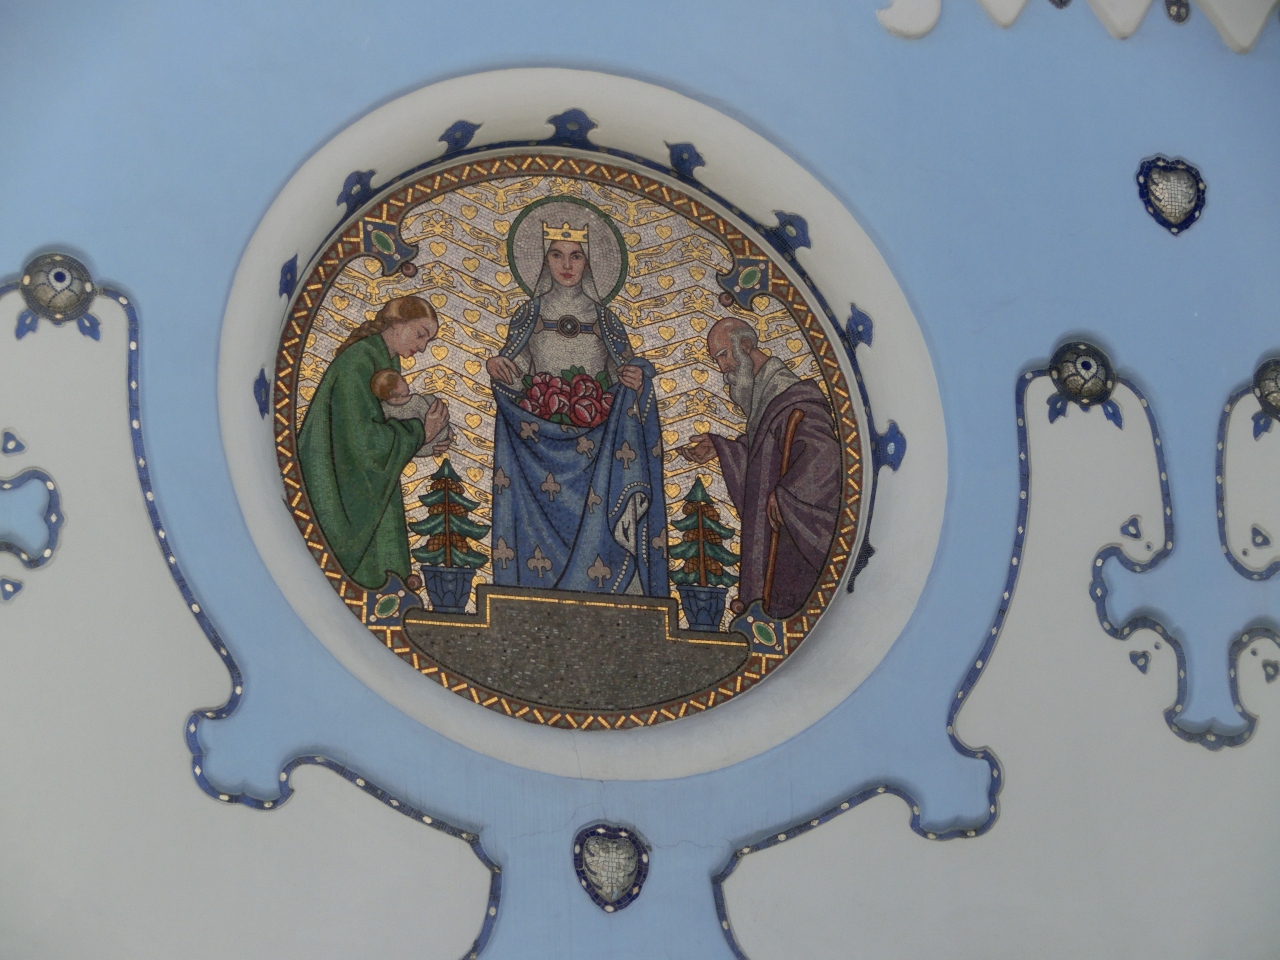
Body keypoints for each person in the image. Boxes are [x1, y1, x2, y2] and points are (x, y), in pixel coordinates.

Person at [484, 198, 667, 597]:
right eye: (557, 255)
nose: (566, 265)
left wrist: (636, 380)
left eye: (576, 256)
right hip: (538, 446)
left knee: (598, 520)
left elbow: (624, 373)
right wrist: (500, 367)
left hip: (598, 447)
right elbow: (517, 373)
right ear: (544, 259)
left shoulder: (605, 319)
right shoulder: (529, 315)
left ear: (589, 262)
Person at [681, 316, 841, 619]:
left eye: (723, 355)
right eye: (717, 360)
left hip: (792, 541)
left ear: (745, 345)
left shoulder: (793, 396)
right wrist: (722, 448)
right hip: (777, 537)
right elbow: (763, 460)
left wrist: (787, 494)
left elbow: (825, 455)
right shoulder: (766, 397)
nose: (722, 368)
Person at [298, 295, 451, 590]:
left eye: (427, 340)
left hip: (366, 484)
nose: (422, 347)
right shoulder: (359, 361)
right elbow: (366, 443)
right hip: (337, 488)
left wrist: (425, 442)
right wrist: (420, 431)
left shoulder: (384, 361)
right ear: (398, 323)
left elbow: (379, 431)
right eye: (420, 334)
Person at [369, 368, 452, 450]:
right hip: (428, 444)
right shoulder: (416, 400)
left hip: (411, 449)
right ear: (394, 392)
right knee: (430, 398)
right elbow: (433, 420)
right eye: (403, 380)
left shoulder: (383, 407)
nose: (406, 382)